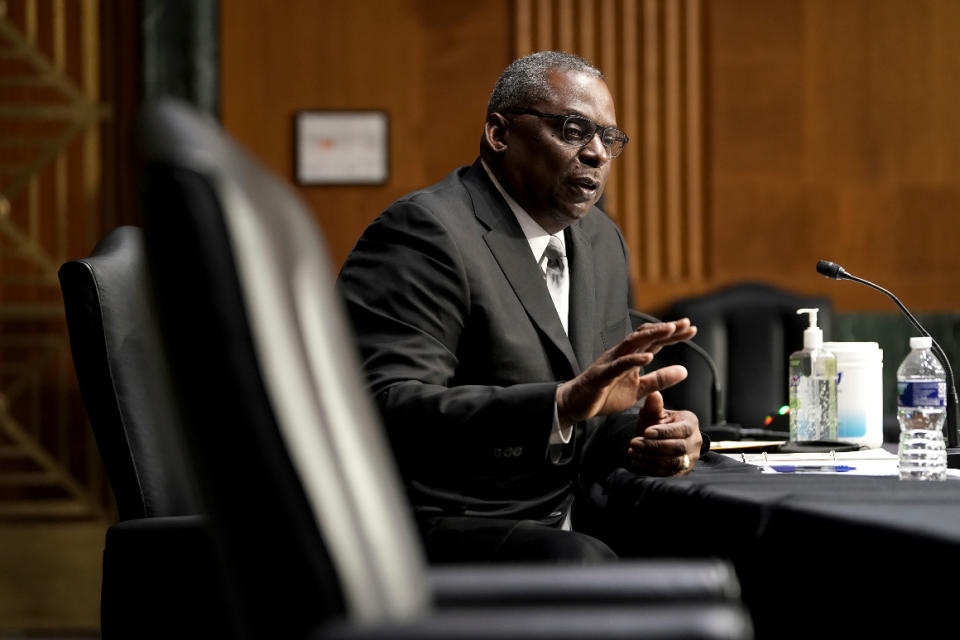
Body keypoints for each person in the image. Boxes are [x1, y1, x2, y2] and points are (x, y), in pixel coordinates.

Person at [337, 51, 705, 563]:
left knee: (718, 538)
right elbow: (384, 409)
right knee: (587, 563)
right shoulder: (426, 232)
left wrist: (654, 432)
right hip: (442, 523)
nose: (598, 153)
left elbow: (595, 407)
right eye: (575, 129)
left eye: (609, 138)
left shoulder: (600, 240)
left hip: (566, 508)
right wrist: (556, 405)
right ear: (499, 134)